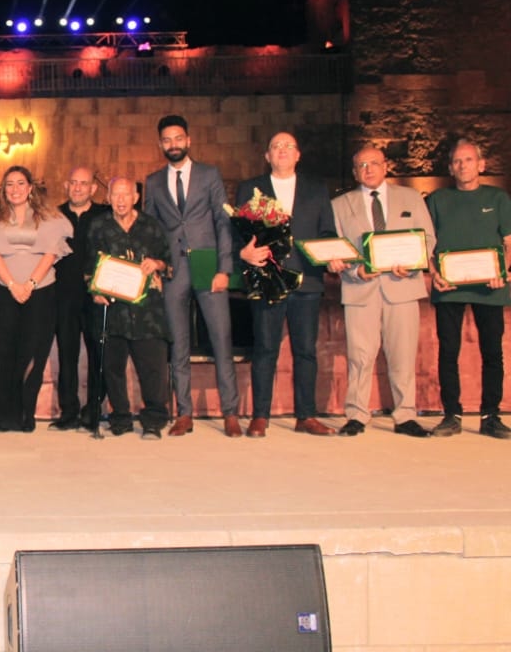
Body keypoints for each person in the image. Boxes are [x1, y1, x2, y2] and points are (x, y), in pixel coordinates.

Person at [143, 116, 243, 437]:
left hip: (208, 266)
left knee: (221, 340)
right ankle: (183, 413)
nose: (173, 144)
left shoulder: (209, 175)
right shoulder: (153, 181)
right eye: (166, 140)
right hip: (173, 270)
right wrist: (156, 267)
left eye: (178, 138)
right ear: (160, 144)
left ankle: (230, 412)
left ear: (189, 140)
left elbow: (223, 223)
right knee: (178, 344)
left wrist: (224, 268)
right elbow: (151, 229)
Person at [329, 145, 435, 438]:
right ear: (354, 173)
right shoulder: (340, 204)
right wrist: (355, 271)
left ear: (385, 166)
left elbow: (427, 238)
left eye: (373, 163)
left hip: (403, 288)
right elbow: (337, 249)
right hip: (360, 289)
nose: (368, 169)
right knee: (359, 357)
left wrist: (413, 265)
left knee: (402, 356)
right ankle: (356, 415)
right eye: (362, 165)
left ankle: (405, 415)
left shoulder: (411, 197)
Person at [237, 132, 337, 437]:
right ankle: (260, 416)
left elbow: (327, 232)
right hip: (267, 279)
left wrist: (333, 255)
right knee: (265, 349)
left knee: (305, 351)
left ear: (298, 155)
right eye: (276, 146)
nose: (282, 150)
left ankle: (306, 415)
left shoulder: (317, 189)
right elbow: (237, 233)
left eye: (288, 146)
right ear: (267, 156)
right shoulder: (250, 188)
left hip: (307, 280)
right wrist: (243, 253)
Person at [0, 165, 72, 432]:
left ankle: (27, 413)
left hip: (41, 292)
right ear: (3, 189)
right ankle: (5, 414)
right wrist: (13, 285)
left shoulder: (50, 217)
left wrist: (30, 284)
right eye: (9, 184)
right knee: (0, 353)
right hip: (2, 291)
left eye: (20, 183)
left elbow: (51, 253)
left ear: (30, 187)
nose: (15, 189)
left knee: (32, 353)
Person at [426, 138, 511, 438]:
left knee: (493, 353)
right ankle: (452, 415)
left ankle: (491, 416)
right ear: (450, 168)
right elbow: (426, 244)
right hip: (448, 286)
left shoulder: (498, 198)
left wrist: (504, 271)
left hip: (490, 286)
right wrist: (434, 273)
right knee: (448, 352)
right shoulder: (437, 200)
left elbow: (509, 243)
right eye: (457, 161)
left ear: (481, 165)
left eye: (469, 160)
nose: (463, 166)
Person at [88, 177, 172, 439]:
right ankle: (120, 419)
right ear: (108, 198)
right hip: (113, 310)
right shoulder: (99, 226)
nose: (121, 200)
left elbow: (168, 262)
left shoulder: (151, 226)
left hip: (148, 311)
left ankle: (154, 421)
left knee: (153, 369)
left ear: (136, 198)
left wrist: (156, 264)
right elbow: (89, 266)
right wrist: (95, 291)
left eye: (126, 195)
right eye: (115, 194)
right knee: (112, 368)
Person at [48, 165, 110, 432]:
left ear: (93, 188)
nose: (77, 188)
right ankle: (69, 411)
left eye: (83, 183)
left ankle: (93, 410)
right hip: (63, 296)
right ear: (66, 185)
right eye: (73, 182)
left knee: (99, 354)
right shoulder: (54, 216)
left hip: (97, 296)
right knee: (67, 354)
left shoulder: (105, 215)